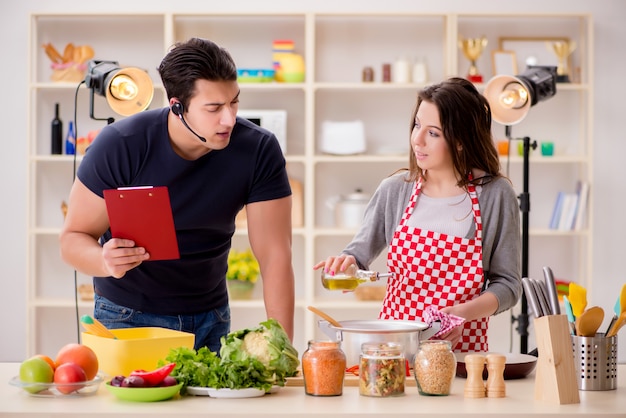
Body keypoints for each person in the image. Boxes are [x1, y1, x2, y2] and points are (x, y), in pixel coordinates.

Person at [59, 38, 295, 352]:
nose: (229, 119)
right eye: (214, 108)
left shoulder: (258, 149)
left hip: (211, 316)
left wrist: (281, 348)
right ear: (177, 106)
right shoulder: (121, 145)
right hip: (127, 316)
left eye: (234, 103)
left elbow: (275, 256)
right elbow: (73, 238)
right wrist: (104, 261)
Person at [314, 77, 522, 352]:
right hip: (393, 351)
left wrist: (461, 313)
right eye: (416, 125)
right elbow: (358, 257)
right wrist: (345, 265)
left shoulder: (495, 195)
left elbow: (508, 286)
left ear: (460, 140)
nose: (417, 140)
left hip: (459, 354)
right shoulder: (395, 190)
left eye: (433, 133)